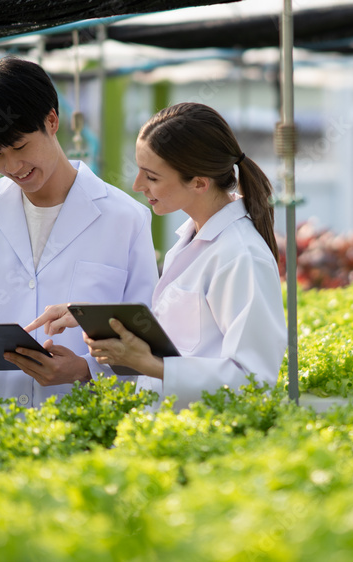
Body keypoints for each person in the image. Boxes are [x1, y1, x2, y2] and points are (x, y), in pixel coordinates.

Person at [21, 102, 287, 409]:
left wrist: (151, 365)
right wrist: (94, 317)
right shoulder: (191, 240)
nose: (137, 185)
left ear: (199, 182)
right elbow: (179, 345)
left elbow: (253, 380)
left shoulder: (240, 255)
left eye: (152, 176)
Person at [0, 56, 158, 407]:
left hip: (82, 429)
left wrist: (86, 370)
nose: (12, 166)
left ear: (52, 121)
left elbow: (148, 344)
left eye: (20, 147)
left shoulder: (127, 219)